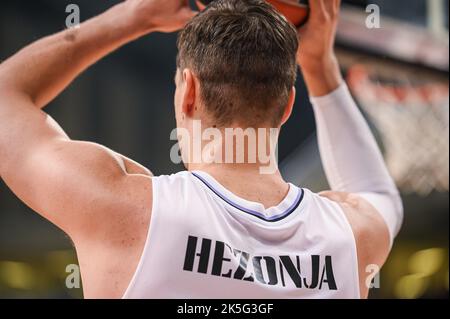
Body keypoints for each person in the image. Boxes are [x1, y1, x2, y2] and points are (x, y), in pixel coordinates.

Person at [0, 0, 403, 299]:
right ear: (287, 107)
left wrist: (133, 17)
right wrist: (321, 66)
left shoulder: (123, 207)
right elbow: (379, 195)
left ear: (188, 91)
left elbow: (5, 98)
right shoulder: (348, 238)